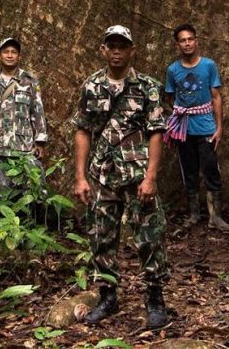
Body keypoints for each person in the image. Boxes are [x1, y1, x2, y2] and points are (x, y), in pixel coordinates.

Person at [73, 25, 171, 329]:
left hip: (137, 172)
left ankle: (155, 296)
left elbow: (157, 132)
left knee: (149, 234)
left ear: (132, 50)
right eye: (111, 46)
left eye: (122, 46)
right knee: (101, 236)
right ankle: (107, 295)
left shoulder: (147, 86)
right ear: (103, 50)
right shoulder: (91, 86)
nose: (116, 51)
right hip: (102, 173)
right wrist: (80, 176)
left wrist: (151, 176)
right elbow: (82, 130)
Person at [163, 24, 229, 231]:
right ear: (178, 44)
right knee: (189, 169)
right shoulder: (173, 70)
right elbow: (170, 97)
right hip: (184, 129)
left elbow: (216, 97)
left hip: (206, 126)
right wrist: (180, 115)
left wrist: (219, 127)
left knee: (210, 168)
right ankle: (193, 214)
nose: (187, 43)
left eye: (190, 39)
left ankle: (215, 216)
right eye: (183, 40)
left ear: (196, 41)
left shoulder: (209, 66)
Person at [0, 37, 49, 222]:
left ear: (19, 56)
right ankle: (6, 236)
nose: (9, 55)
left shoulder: (29, 80)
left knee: (33, 192)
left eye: (13, 52)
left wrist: (40, 141)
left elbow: (37, 110)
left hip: (24, 147)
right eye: (6, 52)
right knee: (2, 192)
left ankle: (28, 231)